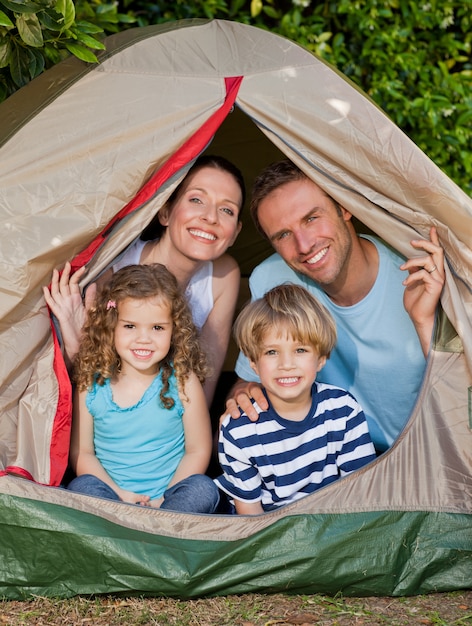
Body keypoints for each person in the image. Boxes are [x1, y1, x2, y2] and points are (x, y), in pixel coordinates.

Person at [225, 160, 445, 453]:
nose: (303, 245)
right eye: (283, 235)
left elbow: (458, 398)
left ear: (344, 207)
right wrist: (245, 395)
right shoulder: (272, 279)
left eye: (311, 218)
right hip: (328, 466)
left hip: (420, 456)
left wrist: (424, 321)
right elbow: (246, 381)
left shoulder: (416, 273)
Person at [43, 155, 244, 406]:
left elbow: (206, 378)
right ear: (165, 212)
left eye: (227, 210)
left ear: (235, 232)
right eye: (196, 199)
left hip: (172, 418)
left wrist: (199, 438)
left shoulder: (224, 274)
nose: (211, 217)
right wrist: (76, 348)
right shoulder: (115, 265)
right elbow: (88, 381)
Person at [66, 263, 220, 513]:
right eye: (130, 326)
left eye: (157, 328)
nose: (144, 338)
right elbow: (82, 454)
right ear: (111, 325)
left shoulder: (182, 379)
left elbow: (198, 449)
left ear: (174, 329)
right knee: (81, 486)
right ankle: (130, 538)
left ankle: (162, 530)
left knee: (203, 488)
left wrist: (164, 500)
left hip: (169, 501)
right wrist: (120, 496)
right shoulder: (92, 382)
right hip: (112, 499)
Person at [215, 284, 376, 514]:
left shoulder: (343, 411)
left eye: (300, 350)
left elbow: (361, 493)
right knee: (198, 492)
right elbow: (250, 516)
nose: (286, 364)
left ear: (321, 358)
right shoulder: (239, 430)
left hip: (329, 523)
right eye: (271, 352)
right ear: (253, 363)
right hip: (267, 529)